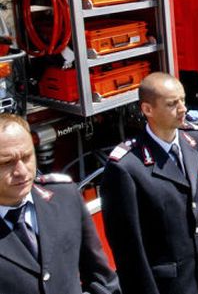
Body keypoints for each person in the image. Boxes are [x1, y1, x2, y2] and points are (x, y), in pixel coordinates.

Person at [101, 72, 198, 294]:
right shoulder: (126, 167)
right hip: (167, 285)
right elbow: (129, 249)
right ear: (147, 109)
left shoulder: (195, 139)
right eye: (172, 104)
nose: (183, 109)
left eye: (183, 100)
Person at [0, 114, 120, 294]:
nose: (22, 171)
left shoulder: (65, 197)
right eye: (7, 162)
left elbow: (102, 279)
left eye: (26, 157)